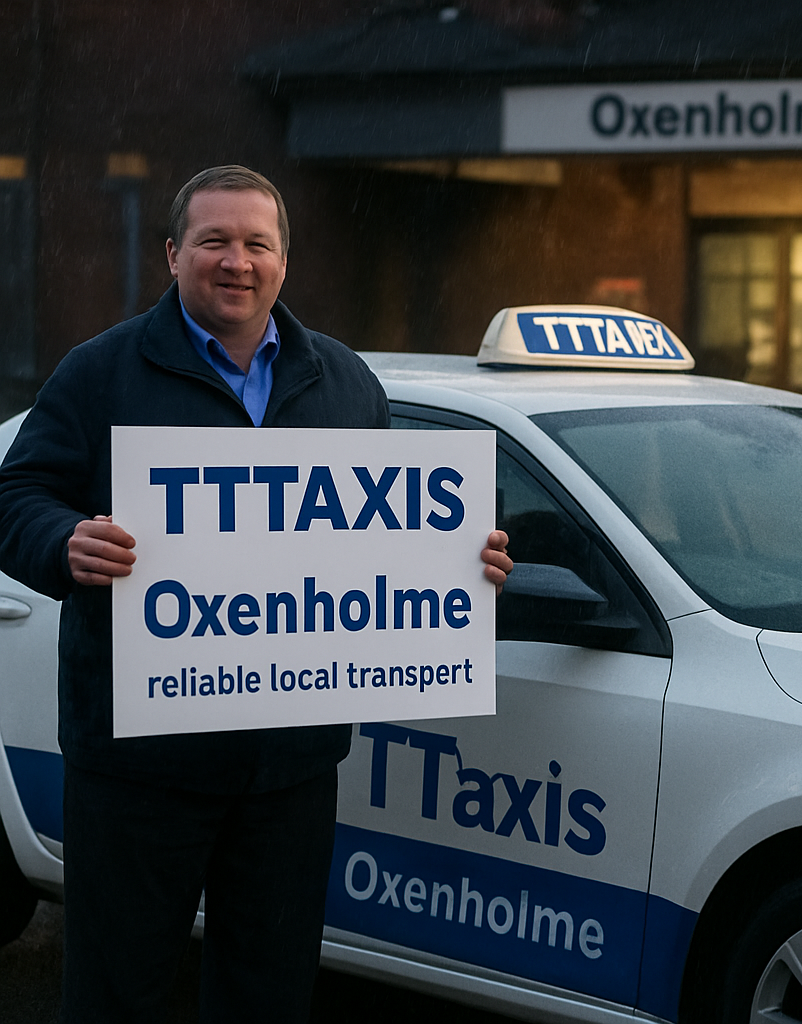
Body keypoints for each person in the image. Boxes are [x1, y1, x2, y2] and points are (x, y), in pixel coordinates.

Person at [0, 165, 512, 1024]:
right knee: (116, 990)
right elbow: (15, 498)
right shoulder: (100, 372)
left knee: (268, 992)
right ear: (172, 254)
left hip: (289, 771)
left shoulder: (344, 383)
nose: (236, 261)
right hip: (138, 764)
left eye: (256, 244)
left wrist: (467, 556)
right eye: (213, 242)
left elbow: (396, 525)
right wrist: (64, 540)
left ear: (284, 260)